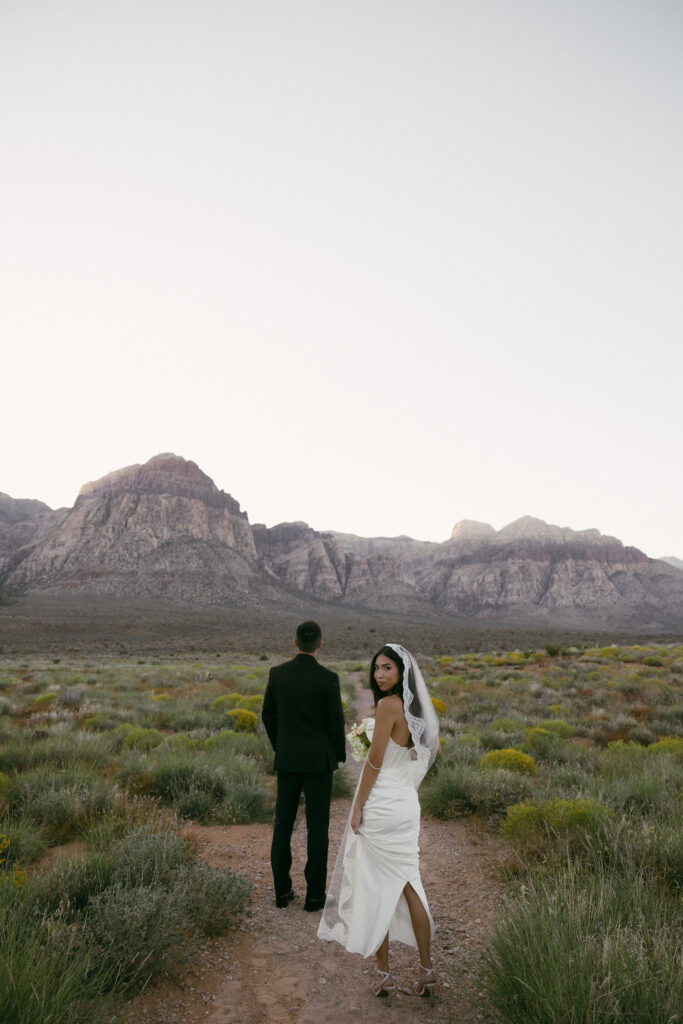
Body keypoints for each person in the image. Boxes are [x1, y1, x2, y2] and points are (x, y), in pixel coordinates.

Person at [317, 643, 440, 1003]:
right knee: (409, 882)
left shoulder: (388, 705)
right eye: (376, 669)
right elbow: (431, 750)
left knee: (375, 888)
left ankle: (384, 975)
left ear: (402, 671)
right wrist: (405, 771)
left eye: (387, 668)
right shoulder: (416, 711)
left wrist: (357, 807)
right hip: (405, 802)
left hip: (382, 805)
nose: (380, 674)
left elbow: (373, 763)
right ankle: (427, 969)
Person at [262, 620, 347, 912]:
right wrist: (337, 755)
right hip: (318, 763)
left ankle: (282, 893)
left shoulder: (277, 675)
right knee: (317, 828)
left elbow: (268, 717)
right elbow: (336, 722)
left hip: (288, 760)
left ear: (295, 642)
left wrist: (281, 745)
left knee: (283, 824)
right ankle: (314, 896)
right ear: (320, 645)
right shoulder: (328, 679)